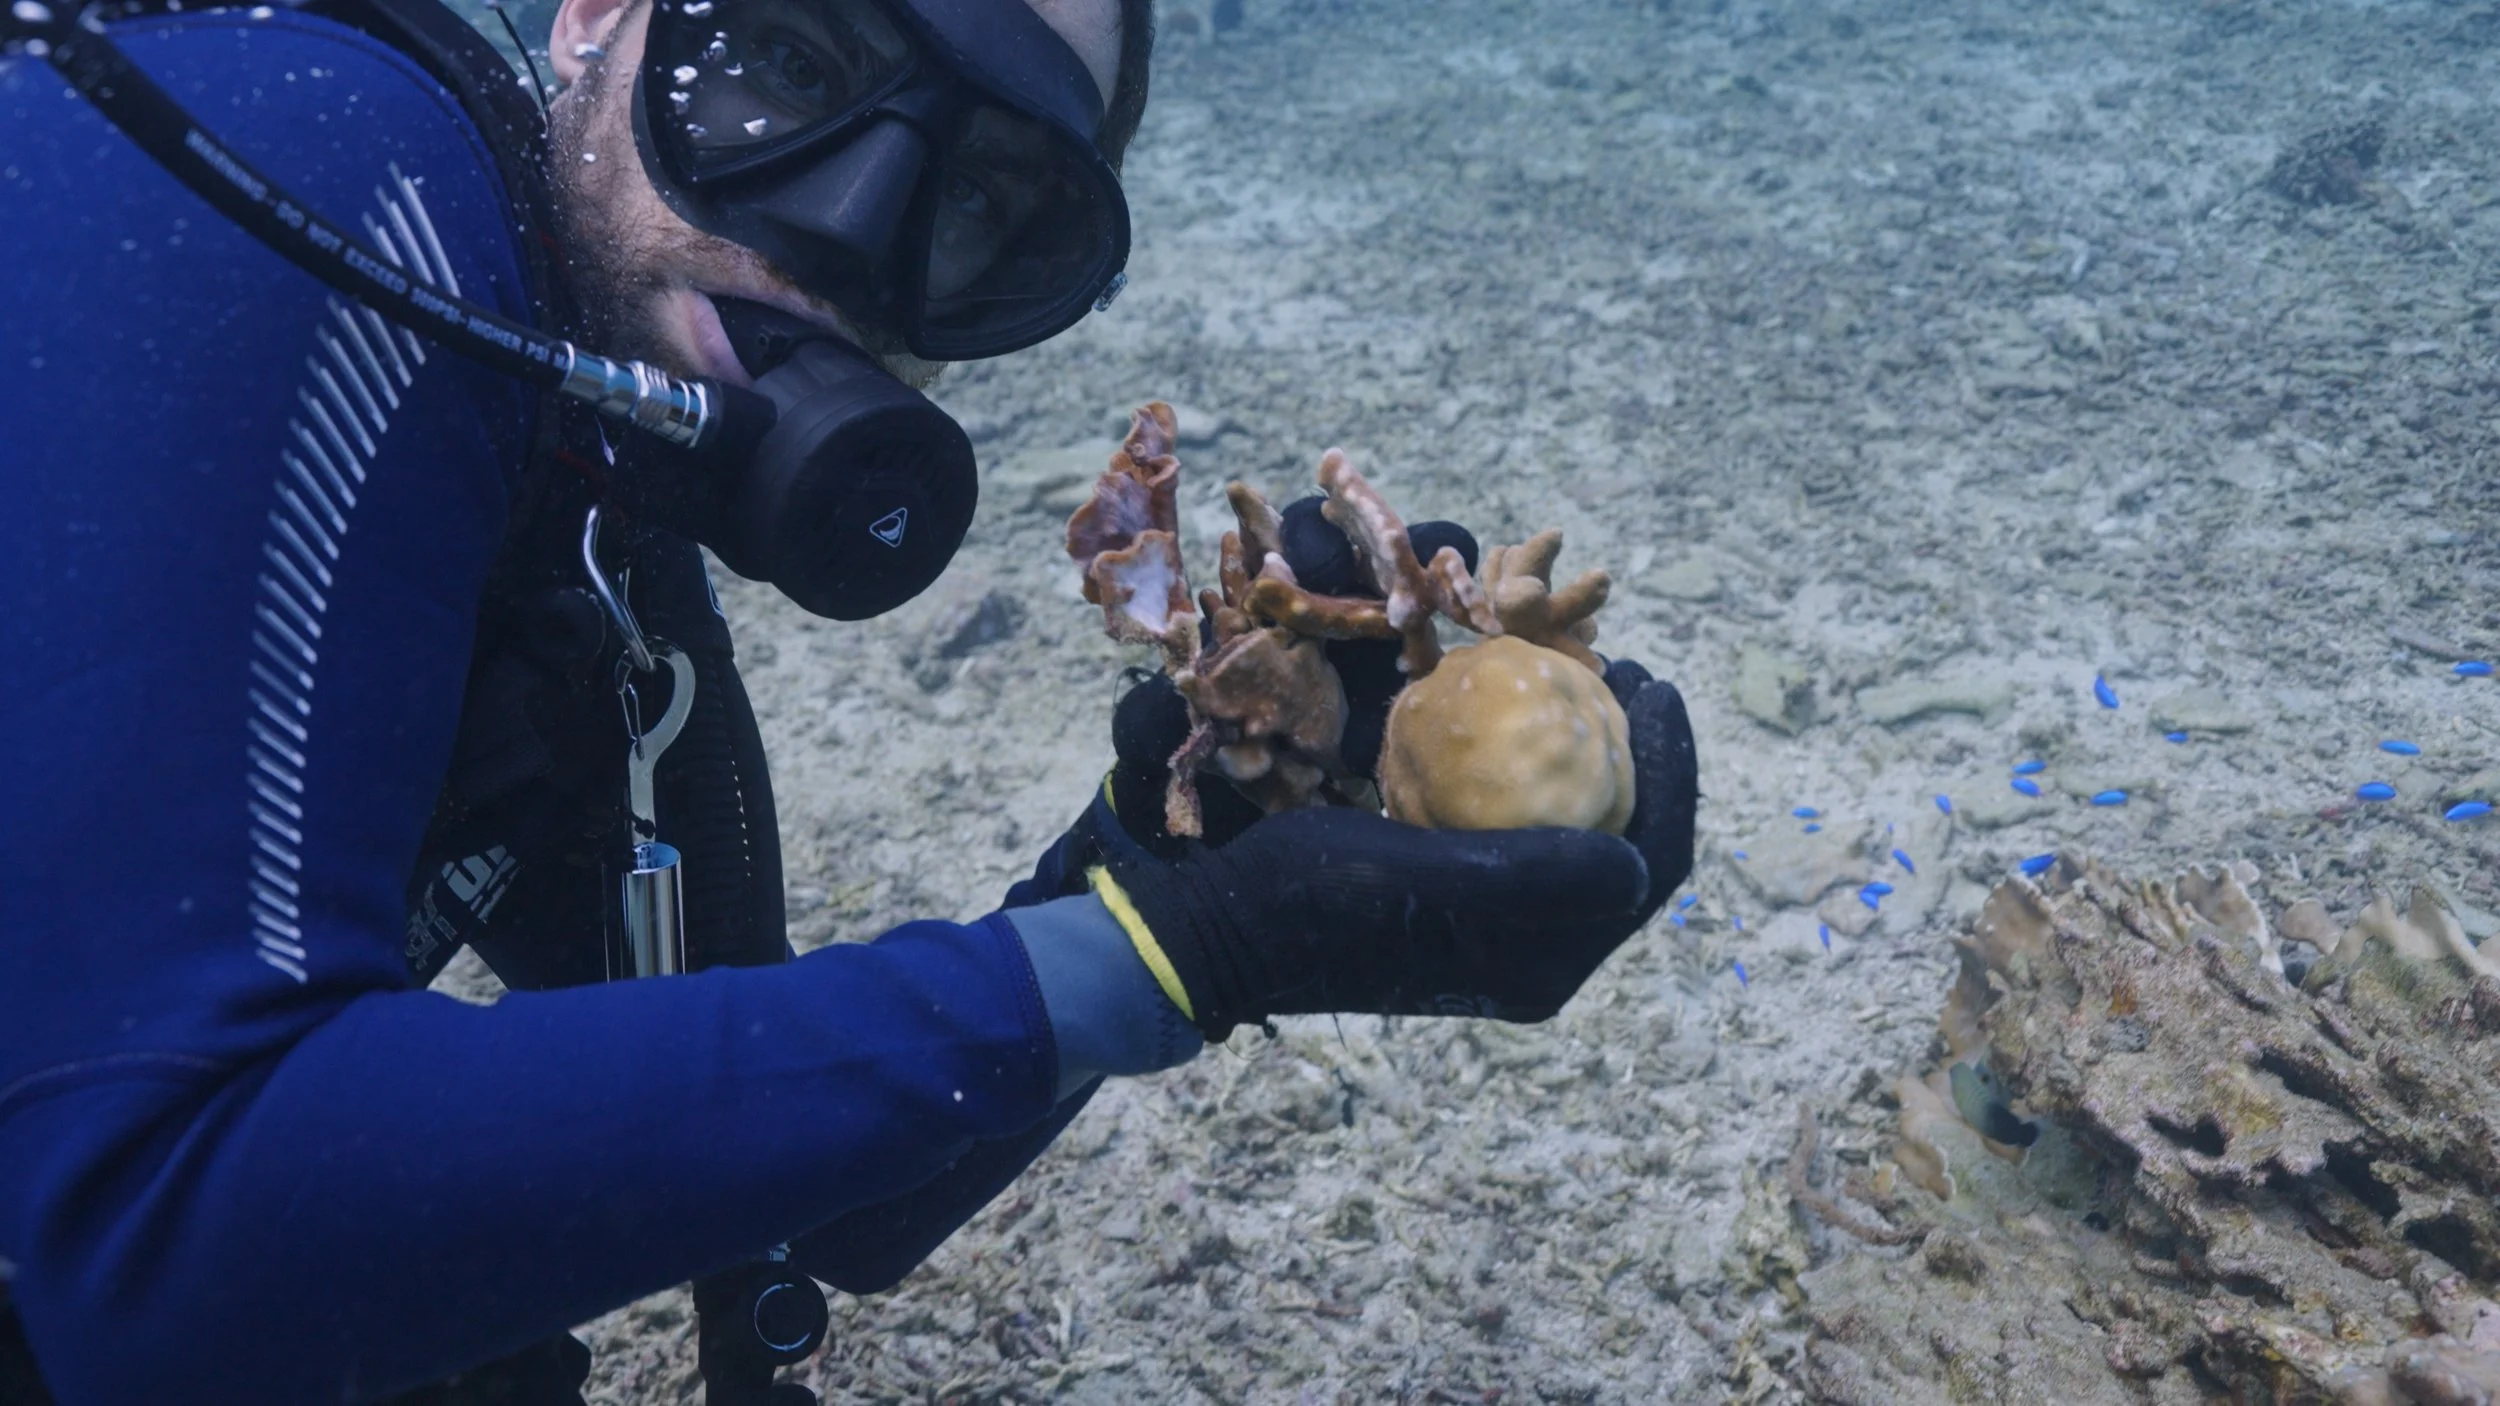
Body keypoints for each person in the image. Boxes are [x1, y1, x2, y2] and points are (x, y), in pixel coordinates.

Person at [0, 0, 1700, 1399]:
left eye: (974, 198)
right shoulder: (299, 164)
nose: (850, 235)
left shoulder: (584, 530)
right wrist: (1179, 964)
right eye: (796, 63)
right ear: (595, 13)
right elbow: (156, 1247)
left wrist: (1170, 863)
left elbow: (787, 1195)